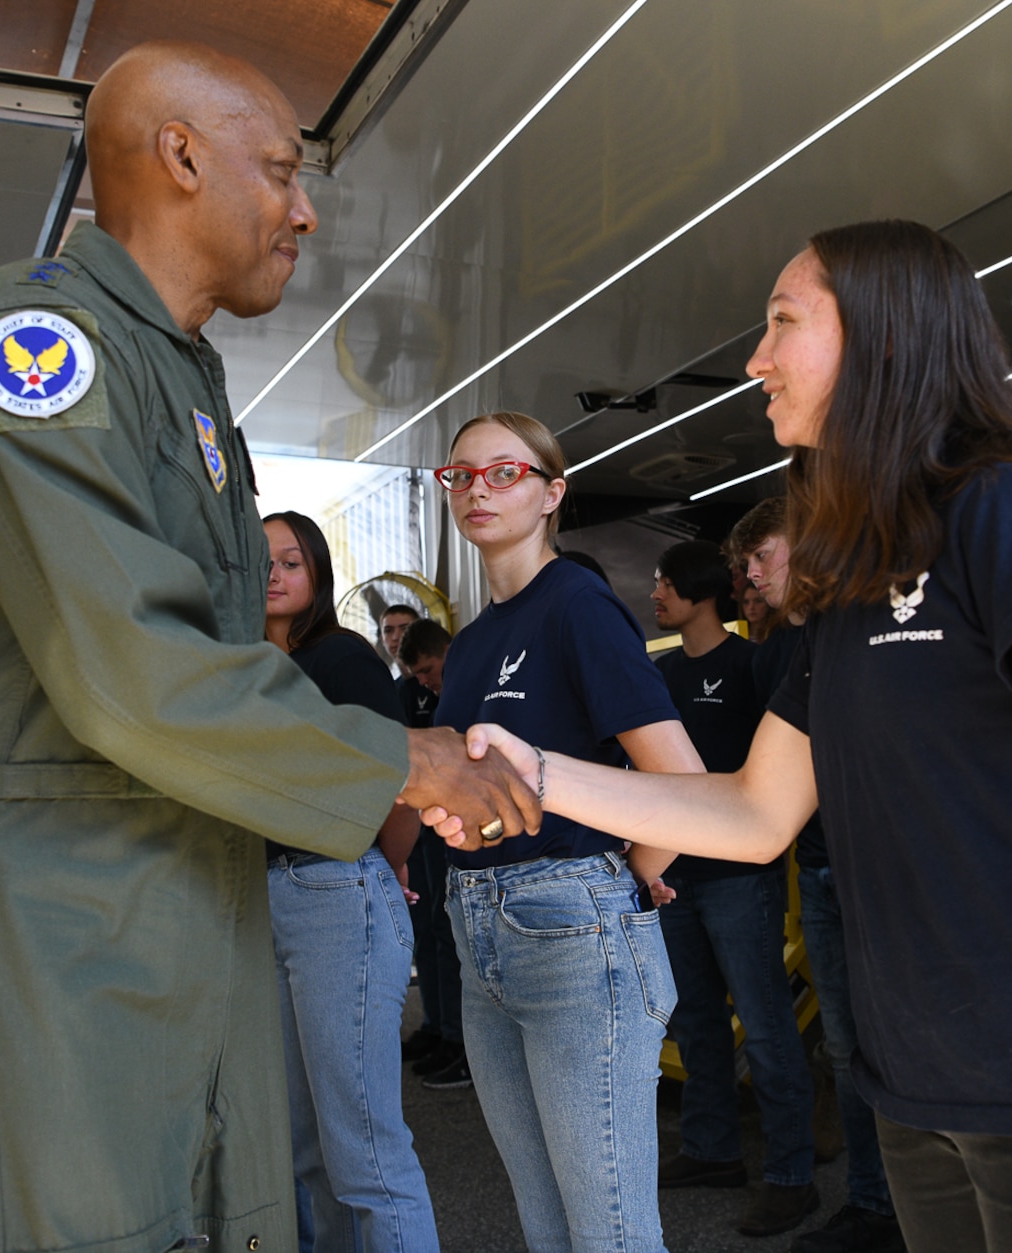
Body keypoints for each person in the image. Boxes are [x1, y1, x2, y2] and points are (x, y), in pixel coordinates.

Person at [0, 39, 536, 1253]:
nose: (305, 210)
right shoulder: (36, 347)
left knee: (214, 1209)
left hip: (168, 879)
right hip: (52, 906)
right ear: (179, 157)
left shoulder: (179, 379)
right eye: (281, 170)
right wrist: (405, 758)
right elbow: (130, 666)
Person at [436, 222, 1012, 1252]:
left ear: (883, 339)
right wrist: (538, 770)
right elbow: (754, 812)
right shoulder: (847, 571)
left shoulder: (1008, 510)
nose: (755, 358)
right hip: (914, 1086)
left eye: (781, 323)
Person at [430, 410, 703, 1253]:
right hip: (479, 927)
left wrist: (627, 878)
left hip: (571, 925)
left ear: (552, 494)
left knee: (609, 1229)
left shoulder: (577, 604)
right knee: (546, 1223)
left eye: (503, 472)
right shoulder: (474, 643)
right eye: (461, 475)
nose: (479, 488)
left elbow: (682, 782)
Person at [262, 511, 438, 1253]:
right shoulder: (238, 671)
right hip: (264, 896)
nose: (274, 573)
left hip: (334, 888)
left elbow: (403, 780)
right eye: (259, 559)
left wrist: (386, 862)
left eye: (292, 560)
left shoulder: (340, 657)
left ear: (319, 575)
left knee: (361, 1147)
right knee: (303, 1149)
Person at [729, 495, 902, 1253]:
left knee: (907, 1049)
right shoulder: (799, 646)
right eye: (745, 566)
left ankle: (916, 1212)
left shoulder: (890, 618)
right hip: (825, 867)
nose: (753, 576)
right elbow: (761, 801)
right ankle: (872, 1204)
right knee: (848, 1049)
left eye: (763, 555)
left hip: (895, 880)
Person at [649, 539, 820, 1237]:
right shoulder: (658, 673)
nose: (655, 592)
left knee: (768, 1023)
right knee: (695, 1021)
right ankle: (711, 1147)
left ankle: (792, 1174)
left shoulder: (752, 665)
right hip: (675, 873)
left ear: (698, 590)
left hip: (740, 878)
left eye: (665, 581)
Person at [395, 618, 465, 1088]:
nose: (425, 681)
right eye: (416, 675)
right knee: (425, 928)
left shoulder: (466, 682)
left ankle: (460, 1038)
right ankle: (438, 1026)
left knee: (448, 929)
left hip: (456, 828)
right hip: (417, 826)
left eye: (428, 669)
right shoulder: (408, 695)